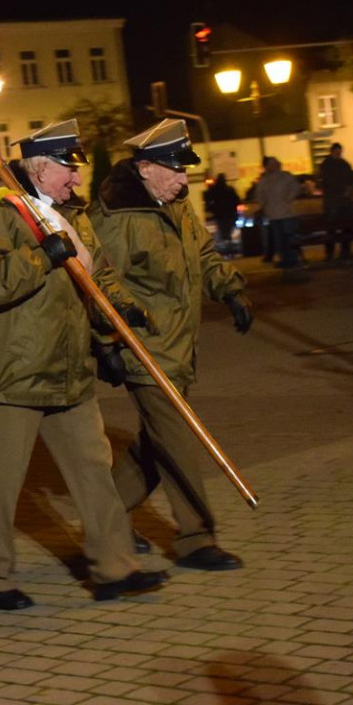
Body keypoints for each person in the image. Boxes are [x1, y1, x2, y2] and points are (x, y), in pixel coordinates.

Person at [0, 119, 167, 610]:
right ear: (41, 167)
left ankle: (115, 567)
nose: (76, 179)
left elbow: (96, 275)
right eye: (68, 169)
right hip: (16, 371)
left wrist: (118, 320)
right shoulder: (1, 213)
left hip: (68, 367)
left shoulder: (71, 214)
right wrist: (39, 257)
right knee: (4, 483)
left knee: (94, 469)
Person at [88, 118, 249, 571]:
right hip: (144, 351)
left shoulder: (175, 203)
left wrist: (229, 288)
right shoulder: (114, 218)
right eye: (175, 170)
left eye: (185, 171)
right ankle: (196, 538)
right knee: (178, 441)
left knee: (153, 447)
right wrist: (106, 343)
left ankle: (104, 519)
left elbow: (202, 252)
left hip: (179, 347)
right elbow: (98, 284)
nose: (184, 179)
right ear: (143, 167)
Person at [254, 157, 301, 268]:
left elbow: (260, 196)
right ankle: (288, 259)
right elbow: (295, 189)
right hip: (280, 213)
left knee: (283, 238)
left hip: (279, 213)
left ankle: (288, 259)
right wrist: (288, 199)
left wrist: (265, 204)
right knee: (284, 239)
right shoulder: (282, 177)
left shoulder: (267, 180)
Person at [318, 143, 353, 261]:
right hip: (338, 201)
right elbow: (330, 181)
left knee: (337, 226)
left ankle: (337, 251)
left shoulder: (330, 164)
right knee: (335, 226)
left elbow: (328, 182)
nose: (338, 153)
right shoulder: (338, 164)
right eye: (337, 151)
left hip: (336, 201)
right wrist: (347, 189)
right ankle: (339, 250)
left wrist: (348, 189)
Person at [203, 173, 240, 253]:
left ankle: (226, 247)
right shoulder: (229, 189)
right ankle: (229, 246)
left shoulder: (214, 190)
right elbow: (237, 200)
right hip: (229, 214)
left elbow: (209, 201)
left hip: (220, 215)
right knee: (228, 230)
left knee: (223, 231)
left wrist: (212, 209)